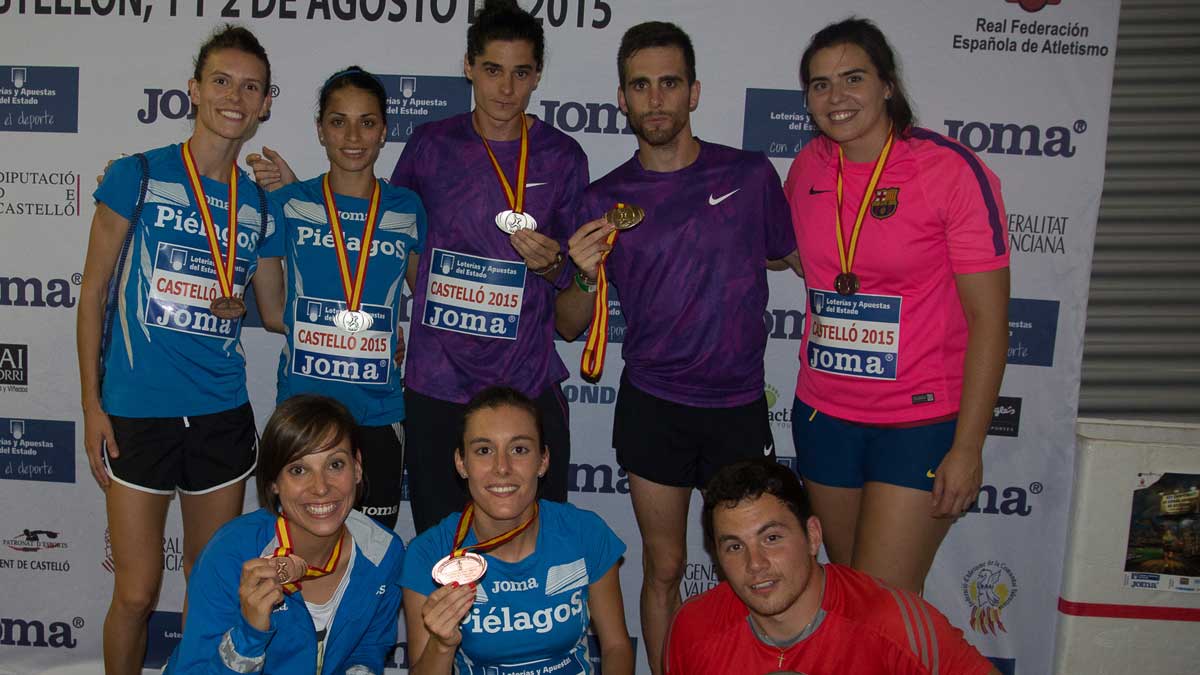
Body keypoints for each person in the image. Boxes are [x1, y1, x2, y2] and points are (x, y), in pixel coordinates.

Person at [250, 0, 587, 533]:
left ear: (537, 76)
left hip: (524, 382)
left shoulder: (564, 158)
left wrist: (556, 270)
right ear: (468, 67)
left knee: (538, 549)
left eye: (521, 73)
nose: (506, 88)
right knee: (441, 553)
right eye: (493, 70)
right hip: (437, 386)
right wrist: (302, 197)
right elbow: (374, 228)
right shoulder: (431, 145)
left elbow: (575, 304)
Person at [556, 21, 798, 673]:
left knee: (745, 573)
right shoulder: (603, 199)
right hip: (655, 404)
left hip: (739, 406)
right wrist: (581, 270)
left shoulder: (749, 175)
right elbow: (571, 324)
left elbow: (802, 258)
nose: (655, 98)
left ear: (693, 92)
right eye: (642, 85)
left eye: (669, 83)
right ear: (622, 99)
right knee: (664, 565)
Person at [77, 25, 283, 674]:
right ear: (194, 90)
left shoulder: (257, 203)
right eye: (221, 81)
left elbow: (273, 310)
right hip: (137, 409)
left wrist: (289, 199)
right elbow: (93, 296)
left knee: (208, 586)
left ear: (266, 103)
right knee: (137, 591)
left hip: (221, 412)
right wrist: (91, 406)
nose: (235, 96)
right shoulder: (136, 175)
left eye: (250, 87)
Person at [783, 18, 1010, 593]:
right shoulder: (807, 166)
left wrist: (968, 447)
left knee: (885, 604)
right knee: (850, 594)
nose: (837, 98)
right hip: (823, 415)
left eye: (853, 78)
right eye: (820, 84)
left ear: (886, 84)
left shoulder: (949, 171)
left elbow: (990, 322)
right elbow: (796, 255)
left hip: (917, 422)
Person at [252, 66, 427, 530]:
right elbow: (272, 314)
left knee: (372, 559)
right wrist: (343, 335)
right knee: (297, 556)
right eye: (338, 121)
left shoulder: (407, 209)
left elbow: (427, 299)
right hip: (304, 409)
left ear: (384, 131)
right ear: (320, 130)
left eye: (367, 122)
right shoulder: (287, 205)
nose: (353, 136)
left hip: (379, 411)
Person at [665, 458, 1000, 675]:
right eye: (735, 546)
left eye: (772, 538)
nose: (756, 564)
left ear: (812, 536)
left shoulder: (889, 623)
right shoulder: (693, 629)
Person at [400, 386, 633, 675]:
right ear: (462, 463)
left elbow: (616, 647)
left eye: (519, 449)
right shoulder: (429, 553)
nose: (502, 467)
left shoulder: (585, 533)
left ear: (543, 460)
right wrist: (442, 645)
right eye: (484, 450)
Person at [167, 394, 406, 673]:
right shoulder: (229, 554)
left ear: (357, 467)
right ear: (273, 483)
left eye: (335, 464)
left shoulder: (384, 553)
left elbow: (369, 648)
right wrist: (249, 637)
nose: (320, 487)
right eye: (299, 469)